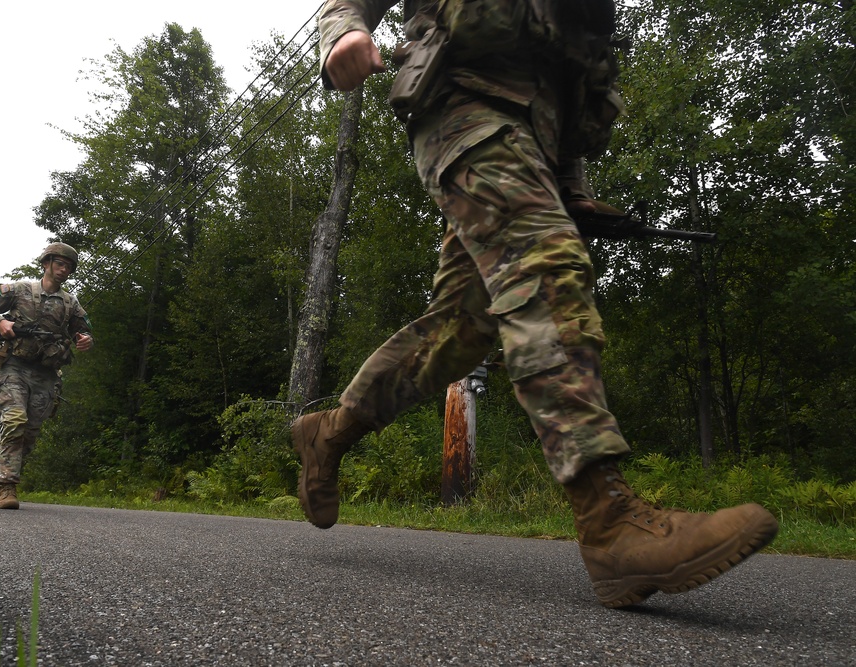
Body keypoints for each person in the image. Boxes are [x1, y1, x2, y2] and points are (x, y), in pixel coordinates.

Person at [293, 0, 779, 608]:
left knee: (462, 328)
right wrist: (344, 32)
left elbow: (570, 77)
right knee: (545, 271)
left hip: (534, 144)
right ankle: (609, 521)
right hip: (462, 108)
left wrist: (572, 190)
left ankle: (328, 433)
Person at [0, 242, 93, 510]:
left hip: (46, 373)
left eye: (69, 266)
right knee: (15, 420)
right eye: (60, 263)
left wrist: (85, 339)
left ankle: (0, 473)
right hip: (14, 365)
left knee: (30, 432)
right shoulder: (18, 290)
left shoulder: (70, 302)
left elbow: (83, 330)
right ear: (46, 263)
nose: (64, 270)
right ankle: (7, 486)